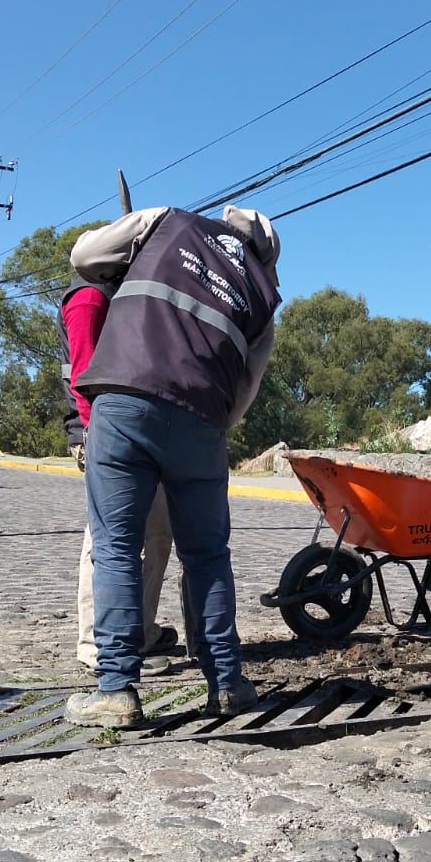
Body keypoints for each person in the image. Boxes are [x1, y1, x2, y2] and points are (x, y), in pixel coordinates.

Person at [62, 204, 282, 729]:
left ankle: (116, 690)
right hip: (203, 422)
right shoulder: (262, 293)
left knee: (117, 545)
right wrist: (204, 431)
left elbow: (84, 257)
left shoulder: (166, 223)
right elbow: (245, 390)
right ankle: (226, 683)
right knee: (206, 555)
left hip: (125, 399)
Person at [61, 311, 178, 678]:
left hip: (135, 431)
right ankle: (99, 645)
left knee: (157, 530)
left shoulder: (126, 288)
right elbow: (82, 372)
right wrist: (96, 437)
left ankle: (138, 632)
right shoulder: (91, 297)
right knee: (108, 538)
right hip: (105, 433)